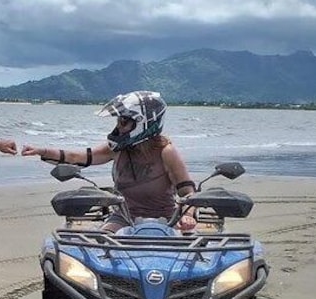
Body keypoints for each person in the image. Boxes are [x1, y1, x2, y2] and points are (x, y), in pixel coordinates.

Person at [21, 90, 197, 232]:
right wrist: (42, 151)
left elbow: (188, 193)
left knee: (190, 259)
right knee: (103, 245)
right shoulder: (116, 149)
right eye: (119, 121)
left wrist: (188, 215)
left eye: (124, 122)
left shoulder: (166, 151)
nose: (119, 127)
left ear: (144, 122)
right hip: (124, 217)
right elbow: (79, 157)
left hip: (166, 218)